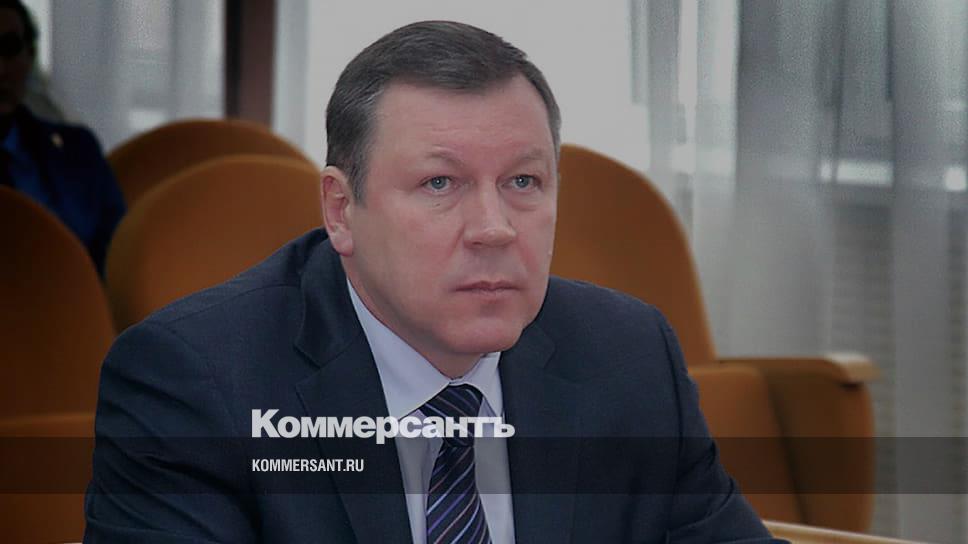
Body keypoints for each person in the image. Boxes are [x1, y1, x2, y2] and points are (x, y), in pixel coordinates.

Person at [84, 21, 783, 543]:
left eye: (523, 182)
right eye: (440, 183)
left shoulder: (629, 356)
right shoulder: (196, 380)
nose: (494, 228)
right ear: (341, 210)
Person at [0, 0, 124, 274]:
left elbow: (118, 253)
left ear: (30, 56)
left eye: (9, 49)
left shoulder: (77, 150)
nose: (1, 70)